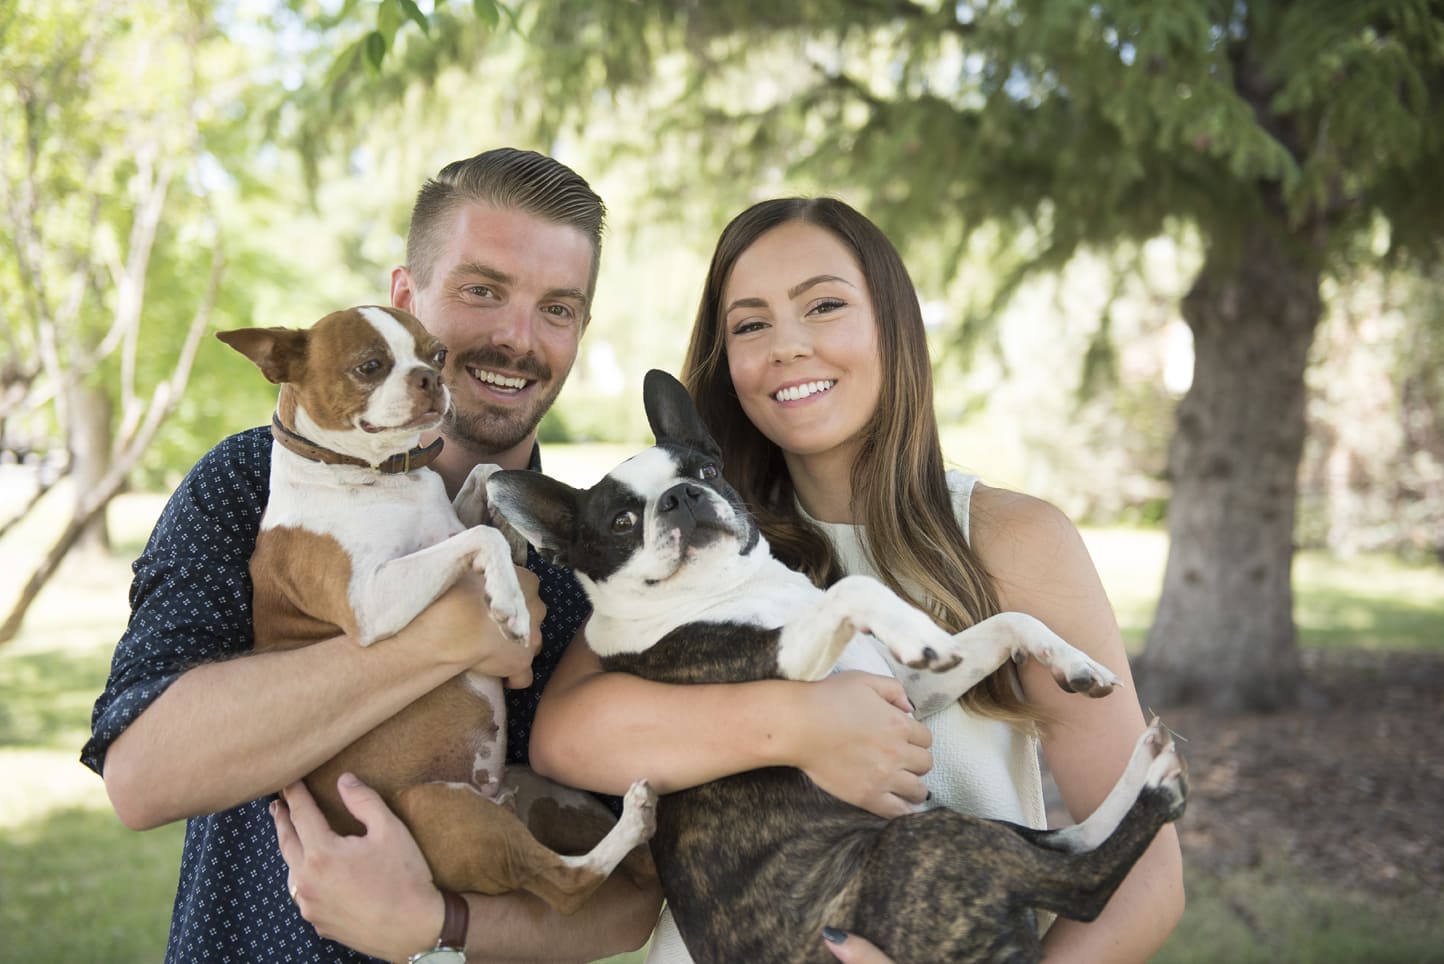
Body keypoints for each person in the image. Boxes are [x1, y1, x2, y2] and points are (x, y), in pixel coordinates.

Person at [275, 196, 1185, 961]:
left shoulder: (1008, 538)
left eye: (824, 306)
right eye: (751, 324)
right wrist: (799, 722)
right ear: (726, 360)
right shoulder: (691, 546)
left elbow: (1149, 881)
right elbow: (568, 737)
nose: (788, 345)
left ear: (892, 321)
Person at [81, 147, 665, 963]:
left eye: (557, 308)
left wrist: (439, 928)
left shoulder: (588, 544)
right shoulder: (250, 485)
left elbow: (632, 904)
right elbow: (142, 777)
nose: (516, 337)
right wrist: (441, 638)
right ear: (404, 298)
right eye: (482, 290)